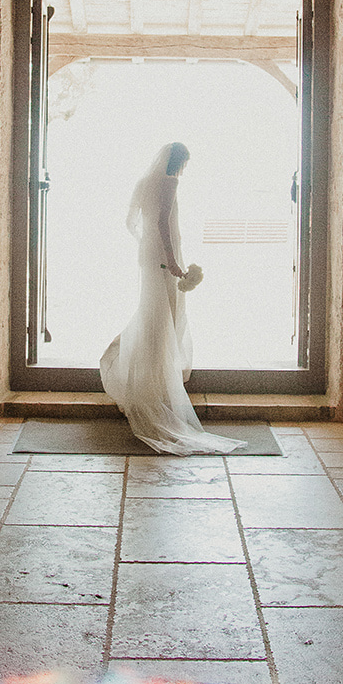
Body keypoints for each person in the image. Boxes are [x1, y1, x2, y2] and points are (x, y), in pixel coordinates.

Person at [100, 142, 246, 455]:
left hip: (148, 255)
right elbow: (162, 221)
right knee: (162, 317)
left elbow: (132, 222)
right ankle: (155, 388)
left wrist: (148, 246)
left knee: (154, 314)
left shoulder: (143, 183)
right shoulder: (169, 182)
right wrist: (172, 259)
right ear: (178, 163)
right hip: (164, 257)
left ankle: (144, 382)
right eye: (184, 165)